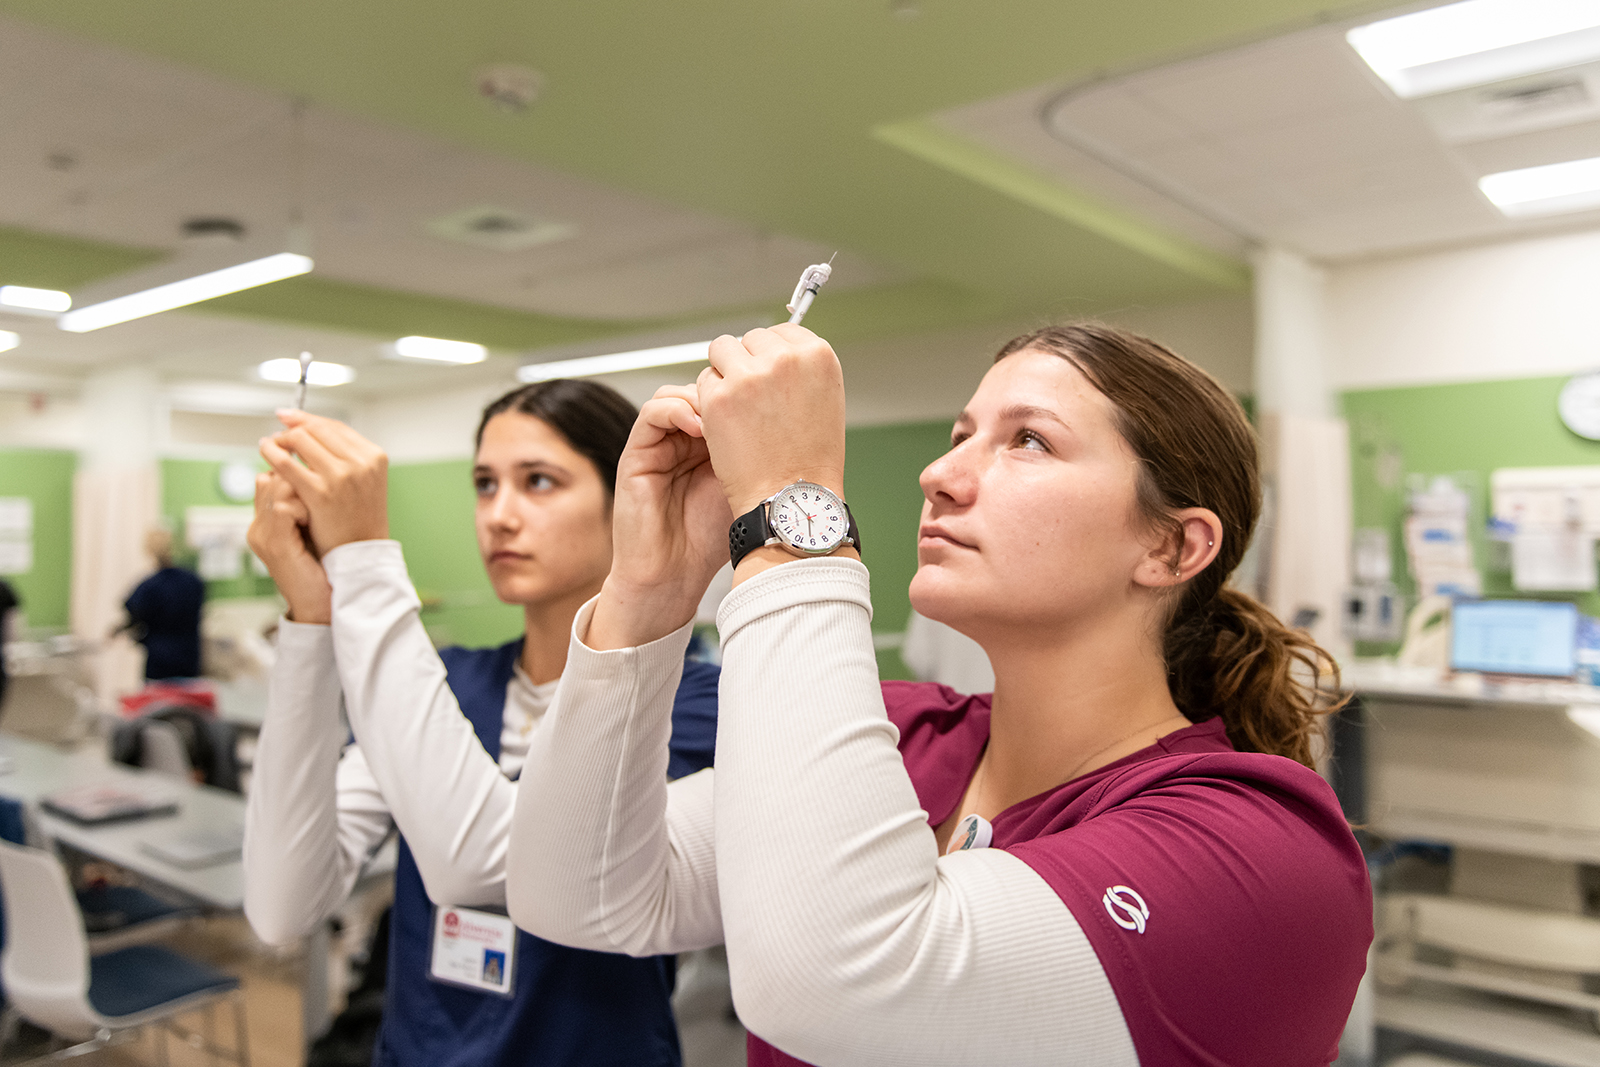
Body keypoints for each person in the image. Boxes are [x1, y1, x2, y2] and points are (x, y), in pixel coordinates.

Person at [502, 322, 1373, 1067]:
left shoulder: (1259, 847)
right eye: (960, 434)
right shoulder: (901, 734)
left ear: (1174, 549)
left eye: (1027, 440)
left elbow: (836, 980)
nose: (941, 474)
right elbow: (578, 891)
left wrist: (791, 515)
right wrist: (648, 595)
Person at [243, 379, 718, 1067]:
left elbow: (492, 864)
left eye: (540, 481)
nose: (500, 514)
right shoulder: (449, 682)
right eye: (485, 484)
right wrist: (311, 619)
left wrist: (365, 564)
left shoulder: (687, 701)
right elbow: (282, 903)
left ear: (627, 497)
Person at [123, 528, 205, 679]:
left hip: (159, 662)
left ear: (148, 550)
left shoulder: (148, 586)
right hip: (189, 659)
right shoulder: (193, 581)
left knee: (159, 702)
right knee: (187, 702)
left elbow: (132, 614)